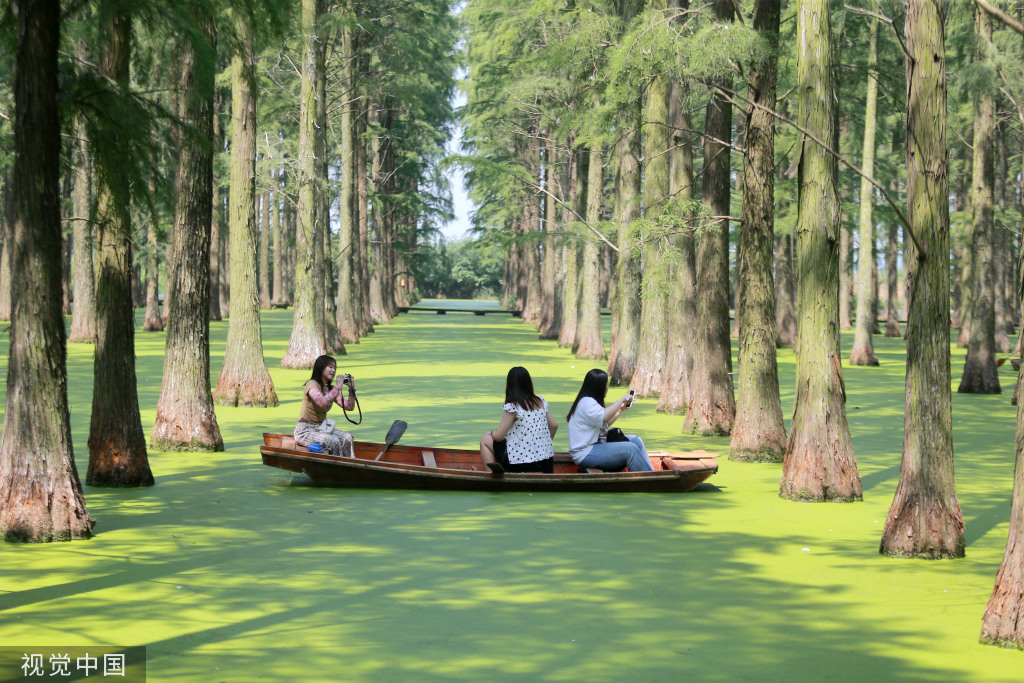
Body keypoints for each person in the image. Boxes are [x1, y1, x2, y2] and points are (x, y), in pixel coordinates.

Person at [566, 368, 654, 472]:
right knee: (630, 449)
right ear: (599, 387)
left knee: (636, 440)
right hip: (585, 453)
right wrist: (622, 399)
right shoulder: (587, 402)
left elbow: (605, 423)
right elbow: (604, 417)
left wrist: (620, 410)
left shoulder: (590, 401)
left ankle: (651, 473)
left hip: (597, 446)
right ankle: (648, 480)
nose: (607, 387)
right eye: (606, 384)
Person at [480, 366, 558, 474]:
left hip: (520, 464)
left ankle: (491, 477)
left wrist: (493, 433)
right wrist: (541, 444)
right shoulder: (541, 401)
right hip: (545, 462)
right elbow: (554, 425)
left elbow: (498, 437)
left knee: (485, 439)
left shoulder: (513, 407)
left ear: (510, 385)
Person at [294, 355, 357, 457]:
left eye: (335, 367)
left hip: (323, 429)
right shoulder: (311, 384)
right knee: (333, 441)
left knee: (347, 437)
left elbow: (349, 407)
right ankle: (336, 469)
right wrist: (337, 387)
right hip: (305, 431)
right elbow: (322, 402)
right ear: (321, 367)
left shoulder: (331, 389)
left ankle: (350, 467)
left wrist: (351, 390)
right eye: (330, 367)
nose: (333, 370)